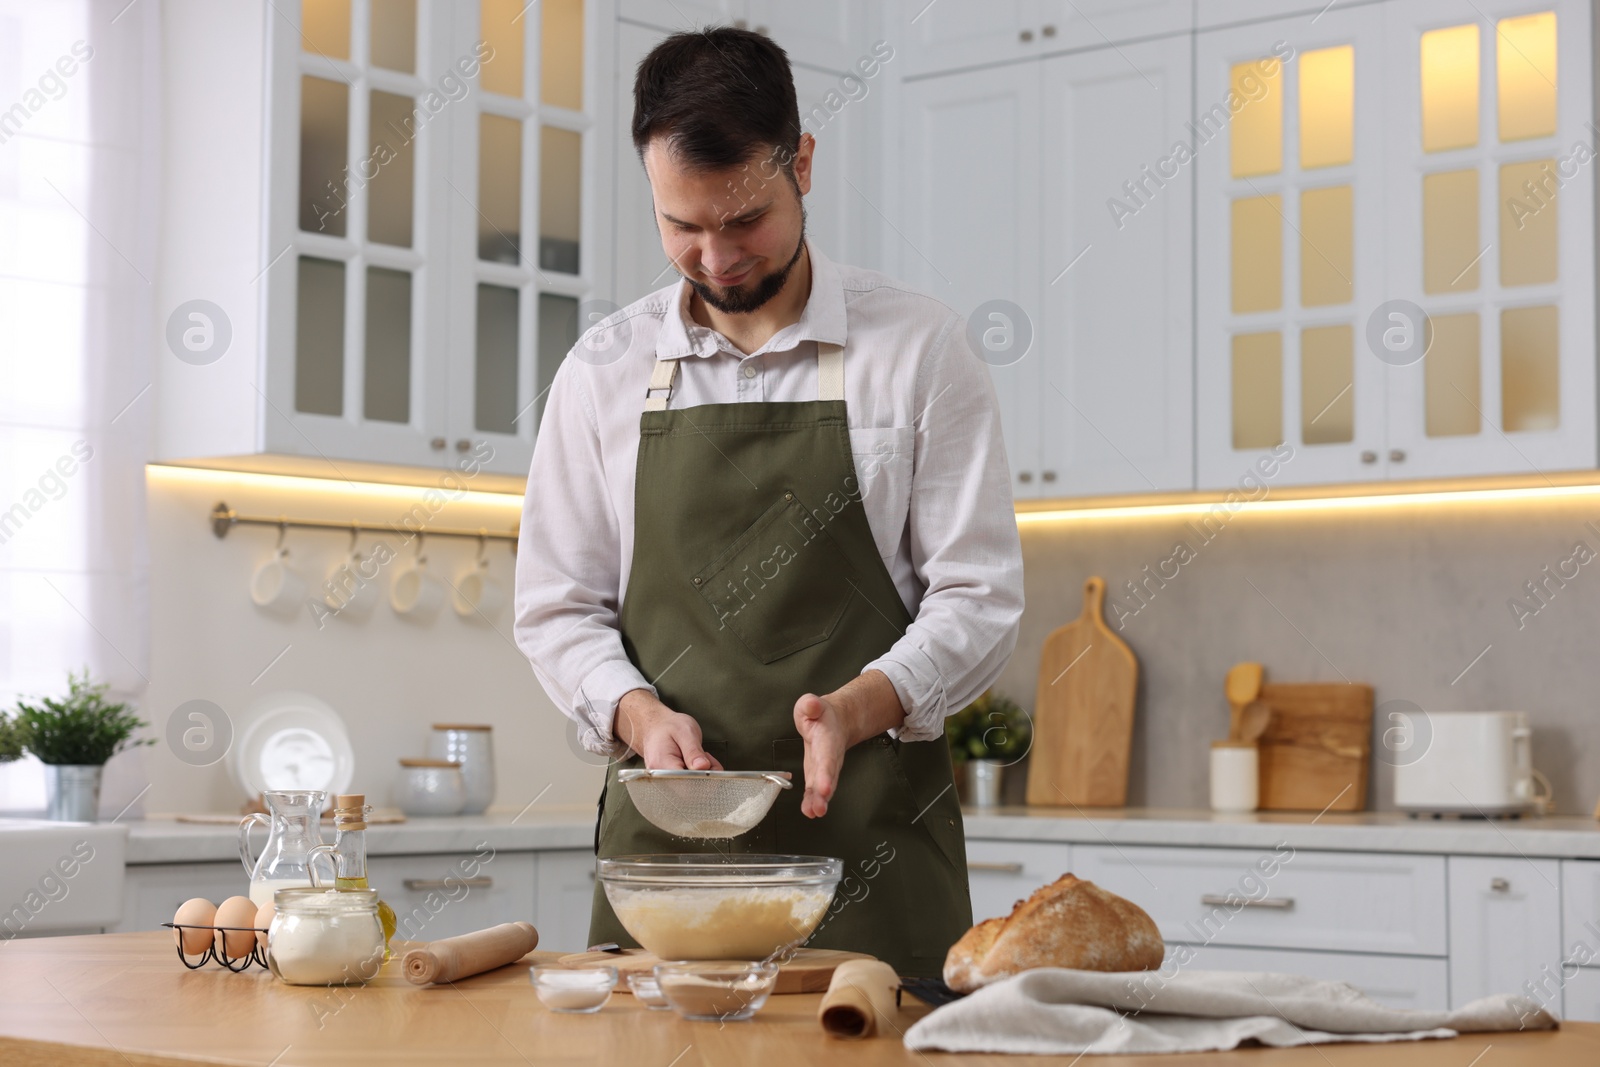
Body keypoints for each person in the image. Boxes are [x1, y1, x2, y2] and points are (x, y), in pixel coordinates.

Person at [513, 27, 1024, 977]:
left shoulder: (920, 349)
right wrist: (634, 715)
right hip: (666, 873)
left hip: (871, 854)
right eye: (681, 225)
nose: (714, 257)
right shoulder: (604, 370)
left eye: (743, 219)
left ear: (804, 165)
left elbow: (980, 595)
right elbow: (556, 607)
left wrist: (864, 704)